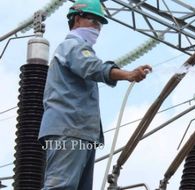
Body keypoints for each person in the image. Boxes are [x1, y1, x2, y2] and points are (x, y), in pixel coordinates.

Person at [38, 0, 152, 189]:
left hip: (81, 134)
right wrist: (128, 74)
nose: (97, 28)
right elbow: (92, 67)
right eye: (93, 21)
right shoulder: (72, 46)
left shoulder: (76, 49)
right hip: (69, 131)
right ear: (77, 19)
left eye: (100, 24)